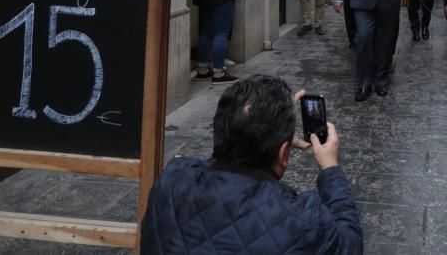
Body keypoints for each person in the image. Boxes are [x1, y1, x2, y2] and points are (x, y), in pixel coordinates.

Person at [141, 75, 362, 254]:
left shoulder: (171, 180)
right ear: (284, 155)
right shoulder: (302, 221)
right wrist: (331, 169)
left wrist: (266, 127)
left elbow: (214, 164)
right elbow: (349, 243)